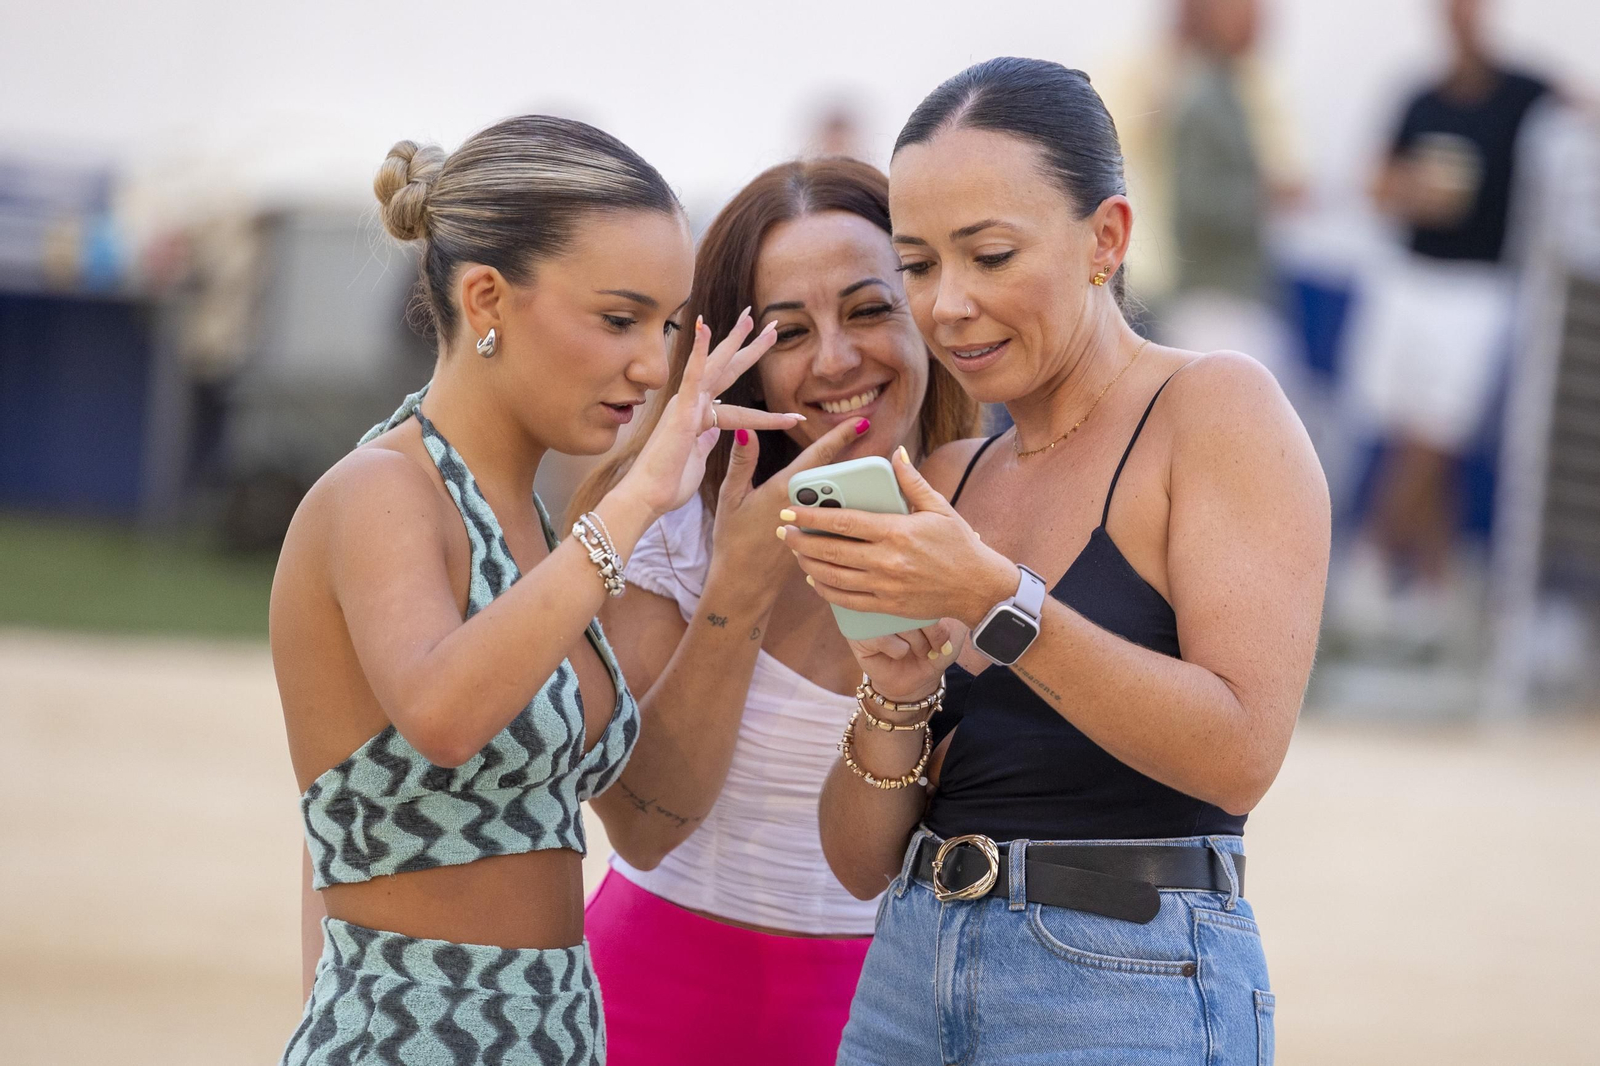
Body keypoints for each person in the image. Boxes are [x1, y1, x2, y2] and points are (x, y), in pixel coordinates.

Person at [784, 58, 1329, 1064]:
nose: (947, 303)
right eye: (916, 263)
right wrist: (895, 694)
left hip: (1121, 987)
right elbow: (859, 861)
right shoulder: (946, 476)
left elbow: (1239, 753)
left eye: (989, 254)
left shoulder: (1214, 411)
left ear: (1107, 238)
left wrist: (994, 598)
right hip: (905, 976)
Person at [271, 115, 797, 1066]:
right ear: (486, 299)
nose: (653, 365)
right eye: (619, 318)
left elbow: (649, 819)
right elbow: (443, 711)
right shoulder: (379, 493)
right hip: (411, 1036)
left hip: (558, 1032)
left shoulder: (535, 526)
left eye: (669, 326)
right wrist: (638, 500)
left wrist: (740, 594)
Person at [572, 158, 979, 1066]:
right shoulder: (669, 526)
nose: (837, 359)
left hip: (905, 1017)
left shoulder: (1005, 521)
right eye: (790, 332)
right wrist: (741, 580)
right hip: (652, 1010)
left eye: (870, 310)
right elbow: (641, 822)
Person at [1343, 0, 1553, 647]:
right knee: (1412, 428)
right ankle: (1435, 591)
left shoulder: (1527, 93)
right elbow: (1376, 184)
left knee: (1437, 433)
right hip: (1412, 280)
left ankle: (1369, 565)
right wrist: (1411, 192)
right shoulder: (1420, 96)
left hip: (1480, 289)